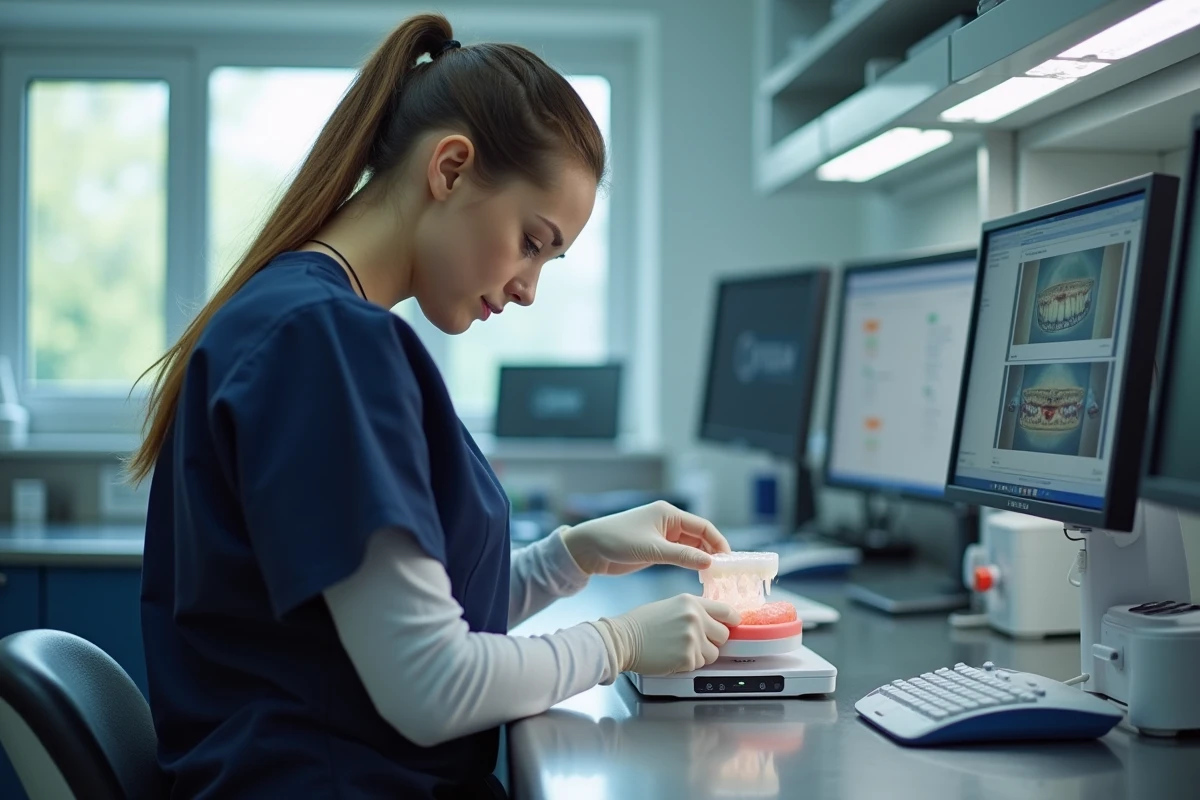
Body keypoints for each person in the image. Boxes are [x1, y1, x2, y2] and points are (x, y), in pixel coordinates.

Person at [130, 13, 740, 799]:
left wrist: (572, 556)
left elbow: (399, 621)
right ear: (450, 168)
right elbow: (431, 684)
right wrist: (621, 641)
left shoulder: (309, 322)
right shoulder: (327, 344)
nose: (528, 287)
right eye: (532, 240)